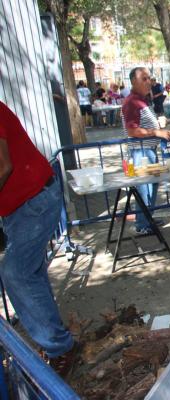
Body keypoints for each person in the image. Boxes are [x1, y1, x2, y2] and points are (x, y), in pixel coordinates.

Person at [0, 100, 77, 376]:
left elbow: (3, 165)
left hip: (34, 199)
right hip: (16, 208)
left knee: (15, 273)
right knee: (30, 272)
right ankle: (53, 336)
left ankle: (60, 346)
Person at [122, 67, 170, 234]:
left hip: (149, 150)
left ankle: (147, 218)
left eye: (149, 78)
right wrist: (156, 132)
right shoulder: (132, 102)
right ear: (133, 81)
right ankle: (142, 224)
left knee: (151, 188)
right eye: (144, 79)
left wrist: (158, 125)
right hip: (141, 152)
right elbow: (132, 131)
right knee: (144, 190)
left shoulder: (142, 100)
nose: (148, 82)